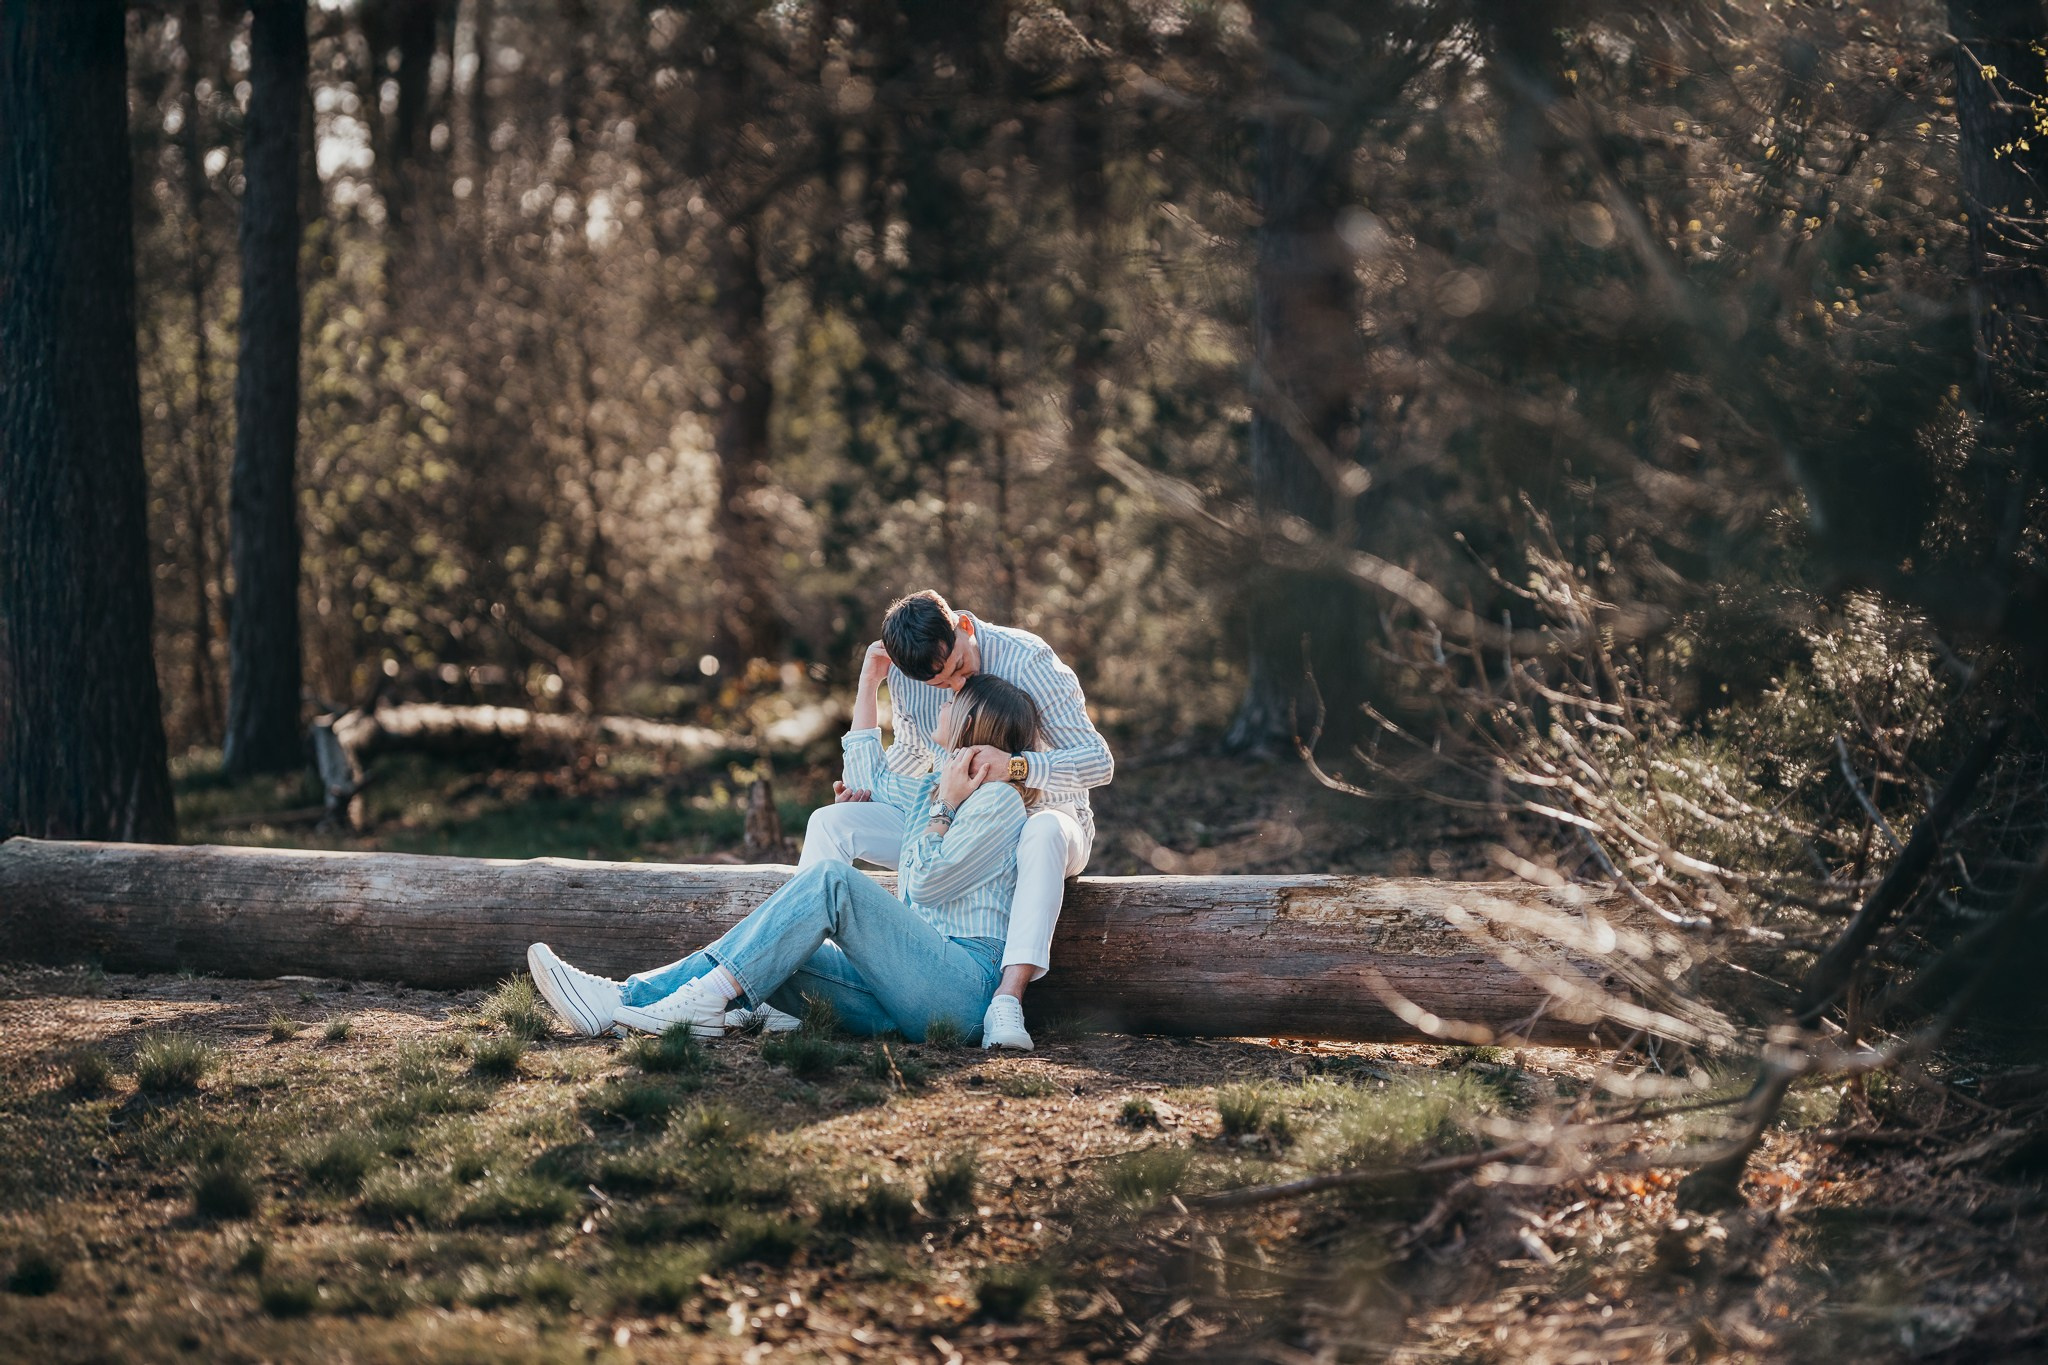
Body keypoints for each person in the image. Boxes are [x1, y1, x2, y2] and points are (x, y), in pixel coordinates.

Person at [525, 673, 1045, 1043]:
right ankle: (618, 1001)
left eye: (955, 702)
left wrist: (946, 809)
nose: (943, 706)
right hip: (907, 989)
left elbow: (929, 883)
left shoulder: (995, 801)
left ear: (975, 723)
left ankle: (703, 1001)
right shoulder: (936, 788)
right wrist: (870, 682)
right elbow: (869, 777)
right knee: (772, 947)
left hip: (961, 993)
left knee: (831, 884)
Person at [806, 590, 1112, 1051]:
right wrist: (870, 787)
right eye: (939, 684)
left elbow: (1098, 762)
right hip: (957, 818)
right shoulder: (912, 676)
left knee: (1041, 830)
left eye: (959, 669)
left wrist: (1016, 766)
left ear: (963, 627)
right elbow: (913, 752)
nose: (954, 687)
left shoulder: (1030, 661)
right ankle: (803, 974)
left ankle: (1008, 1000)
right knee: (834, 821)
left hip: (1048, 813)